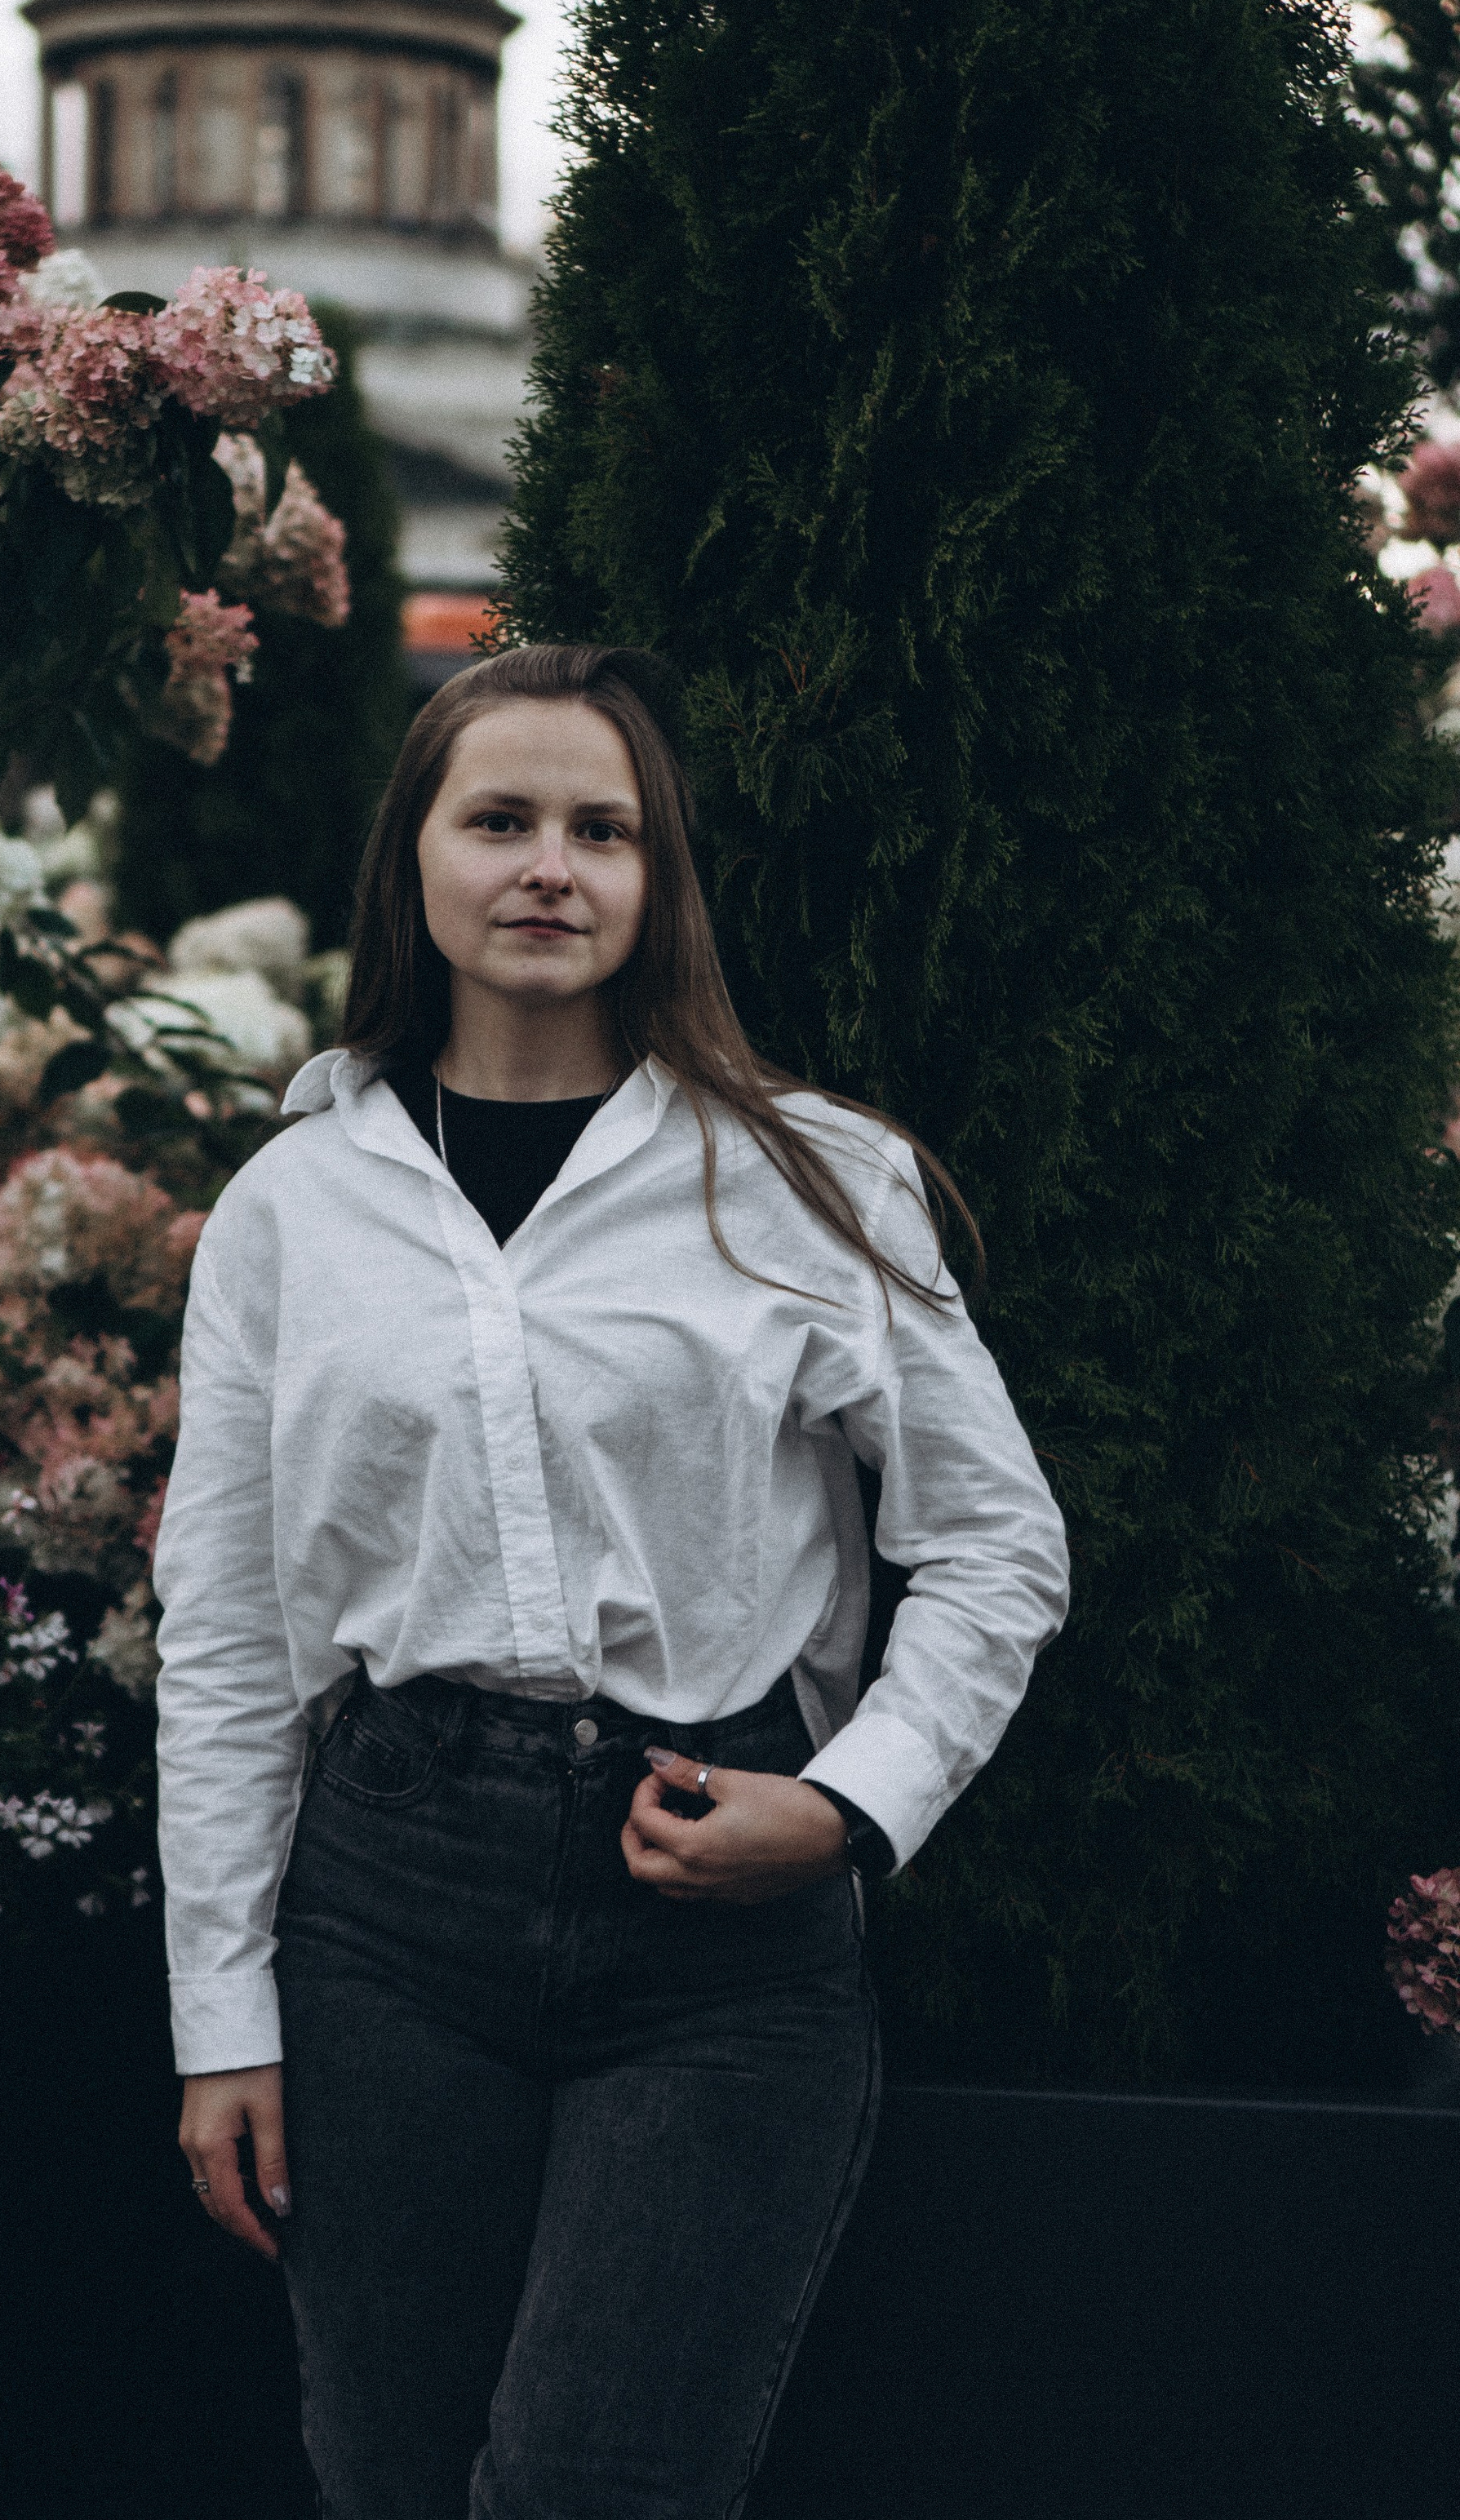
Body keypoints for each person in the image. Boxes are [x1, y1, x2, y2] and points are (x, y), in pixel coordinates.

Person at [153, 641, 1069, 2520]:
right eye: (499, 820)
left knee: (592, 2486)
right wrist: (221, 2021)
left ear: (659, 884)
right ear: (414, 857)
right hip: (386, 1915)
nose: (547, 866)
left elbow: (994, 1543)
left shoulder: (807, 1182)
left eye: (602, 829)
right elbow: (232, 1639)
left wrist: (842, 1809)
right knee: (391, 2484)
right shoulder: (289, 1208)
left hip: (715, 1929)